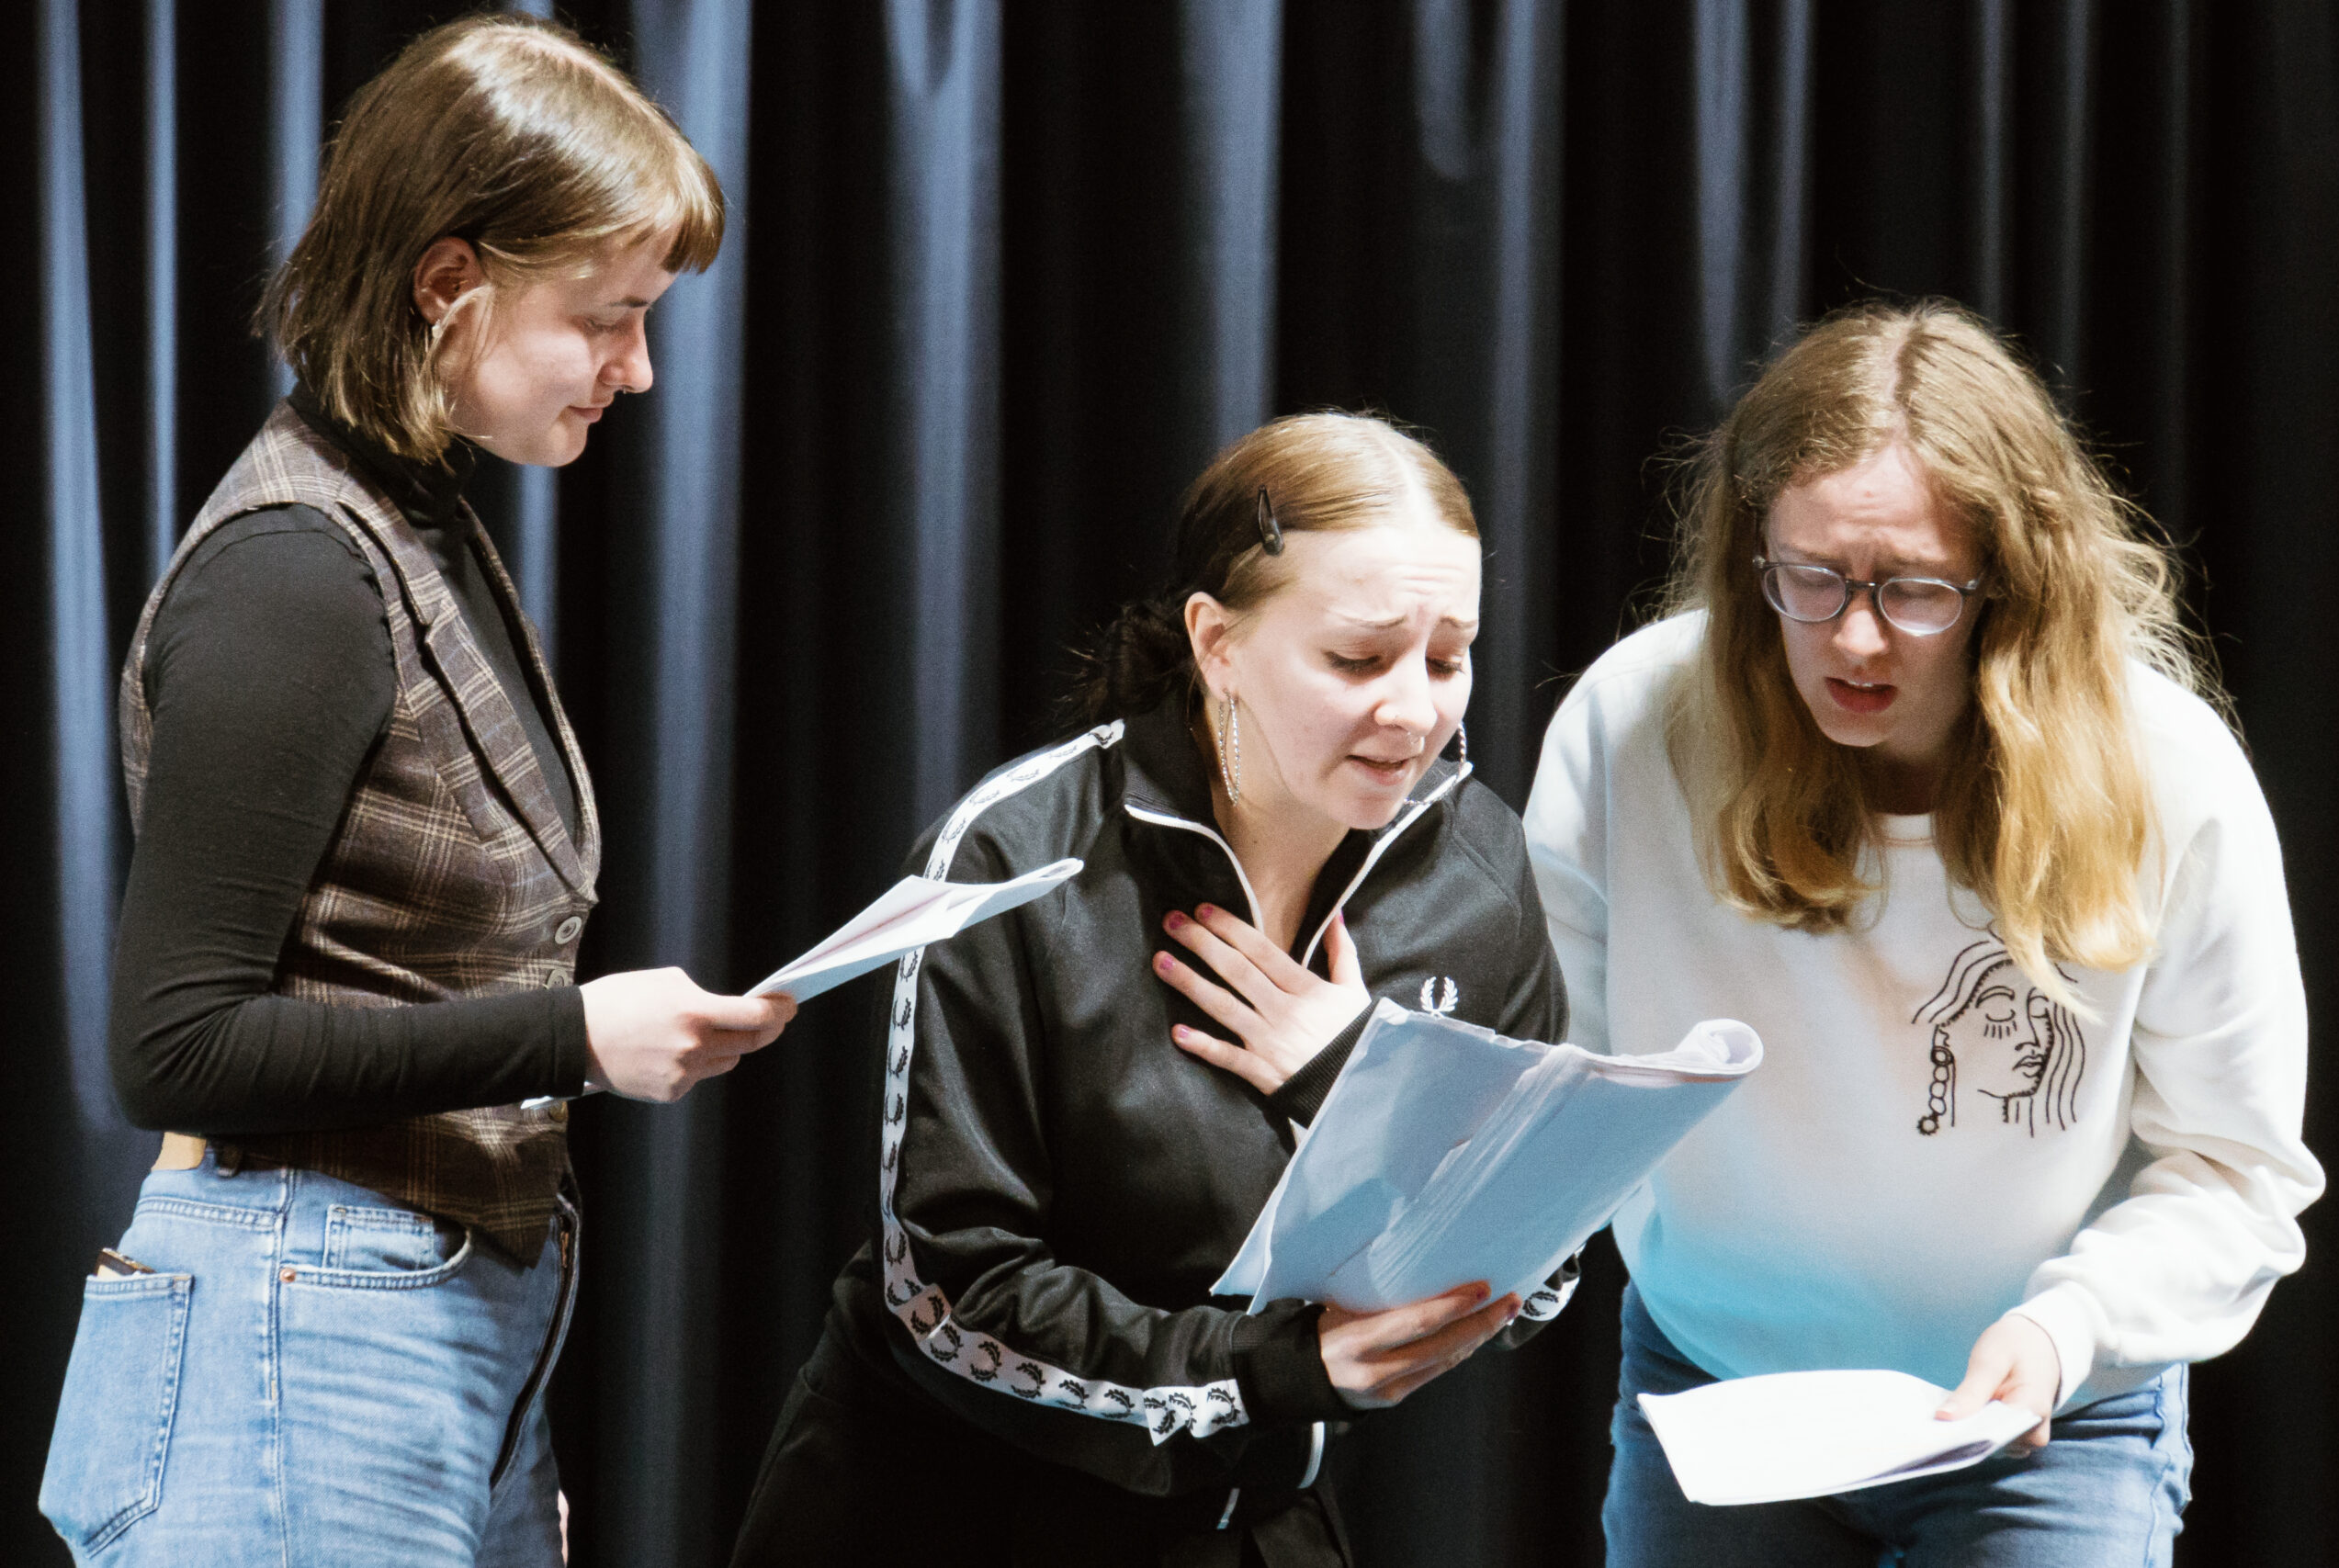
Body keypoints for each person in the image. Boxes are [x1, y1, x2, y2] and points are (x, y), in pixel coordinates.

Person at [39, 17, 793, 1566]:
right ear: (451, 283)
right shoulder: (298, 570)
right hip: (291, 1325)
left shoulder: (413, 522)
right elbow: (174, 1044)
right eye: (607, 317)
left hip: (399, 1335)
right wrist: (576, 1034)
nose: (637, 368)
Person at [1523, 299, 2322, 1566]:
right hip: (1725, 1383)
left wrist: (2072, 1326)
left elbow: (2237, 1169)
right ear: (1751, 557)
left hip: (2052, 1409)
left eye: (1912, 590)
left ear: (2010, 583)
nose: (1851, 634)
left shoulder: (2169, 771)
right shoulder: (1636, 725)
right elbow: (1553, 1091)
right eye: (1812, 577)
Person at [732, 413, 1576, 1568]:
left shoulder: (1476, 871)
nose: (1416, 711)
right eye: (1358, 658)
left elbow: (1537, 1273)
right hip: (948, 1512)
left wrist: (1361, 1081)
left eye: (1448, 656)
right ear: (1217, 643)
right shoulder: (1016, 859)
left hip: (1246, 1519)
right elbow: (948, 1295)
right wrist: (1270, 1374)